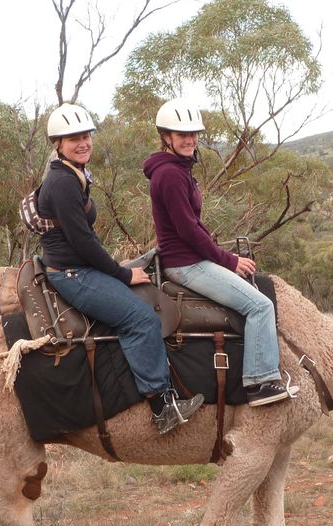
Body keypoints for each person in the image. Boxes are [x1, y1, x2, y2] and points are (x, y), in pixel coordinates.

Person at [38, 102, 203, 435]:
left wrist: (119, 267)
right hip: (73, 273)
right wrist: (123, 274)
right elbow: (83, 242)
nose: (83, 143)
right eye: (73, 139)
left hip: (78, 265)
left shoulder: (72, 174)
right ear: (58, 144)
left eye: (86, 136)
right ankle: (162, 407)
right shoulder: (63, 183)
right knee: (140, 319)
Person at [143, 98, 298, 407]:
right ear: (166, 137)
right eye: (181, 134)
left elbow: (193, 225)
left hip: (189, 257)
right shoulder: (171, 175)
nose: (189, 140)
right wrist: (228, 260)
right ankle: (259, 381)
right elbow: (188, 229)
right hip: (186, 264)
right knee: (260, 306)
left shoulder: (177, 169)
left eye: (193, 134)